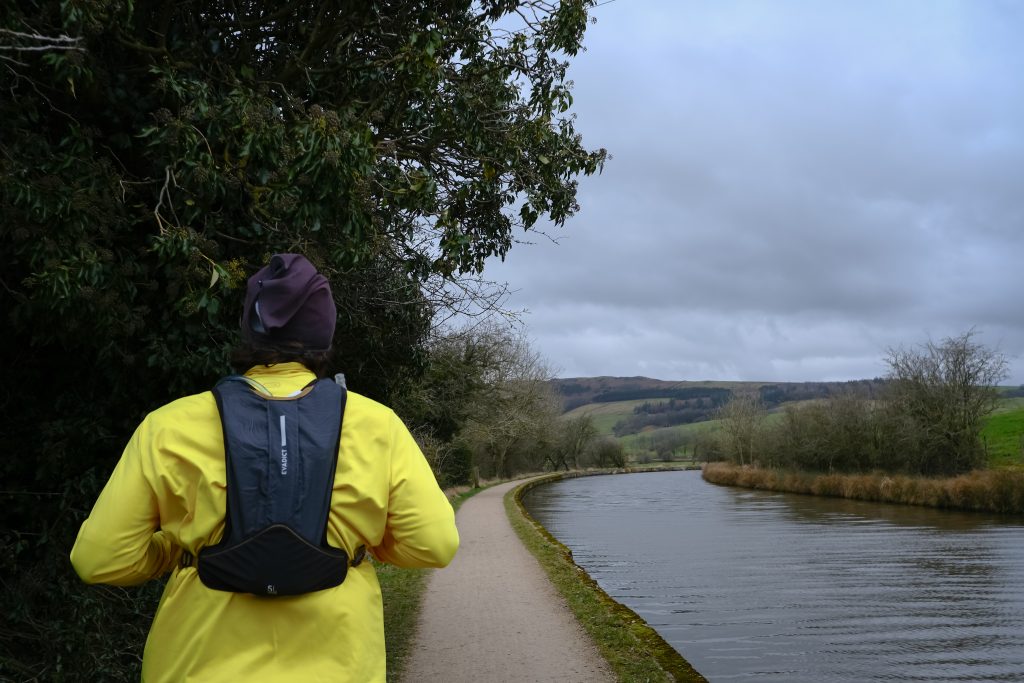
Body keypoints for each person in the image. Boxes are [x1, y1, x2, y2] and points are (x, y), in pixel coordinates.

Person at [70, 253, 459, 682]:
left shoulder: (168, 426)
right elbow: (434, 545)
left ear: (248, 333)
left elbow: (99, 560)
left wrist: (178, 551)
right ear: (323, 336)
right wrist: (359, 546)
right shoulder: (378, 426)